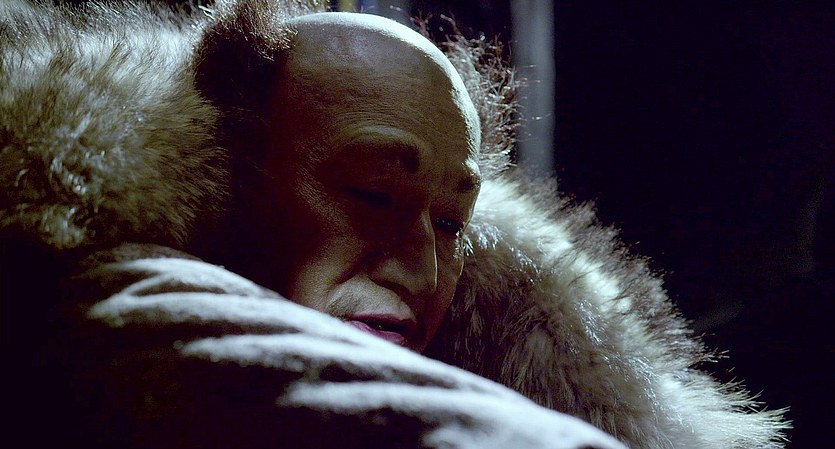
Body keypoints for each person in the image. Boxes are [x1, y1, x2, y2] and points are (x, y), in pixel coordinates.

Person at [0, 0, 787, 448]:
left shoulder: (508, 364)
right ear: (225, 169)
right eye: (373, 196)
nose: (422, 267)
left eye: (450, 223)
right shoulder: (79, 313)